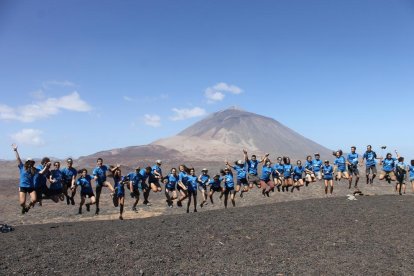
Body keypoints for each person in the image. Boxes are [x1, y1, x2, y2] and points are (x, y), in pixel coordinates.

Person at [12, 144, 44, 214]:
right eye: (29, 162)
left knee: (34, 200)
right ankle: (24, 208)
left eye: (32, 162)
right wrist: (15, 150)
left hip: (31, 187)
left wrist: (46, 167)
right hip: (23, 186)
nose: (31, 164)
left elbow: (41, 172)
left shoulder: (34, 169)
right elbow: (18, 159)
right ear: (27, 162)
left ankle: (28, 207)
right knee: (22, 203)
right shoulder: (22, 167)